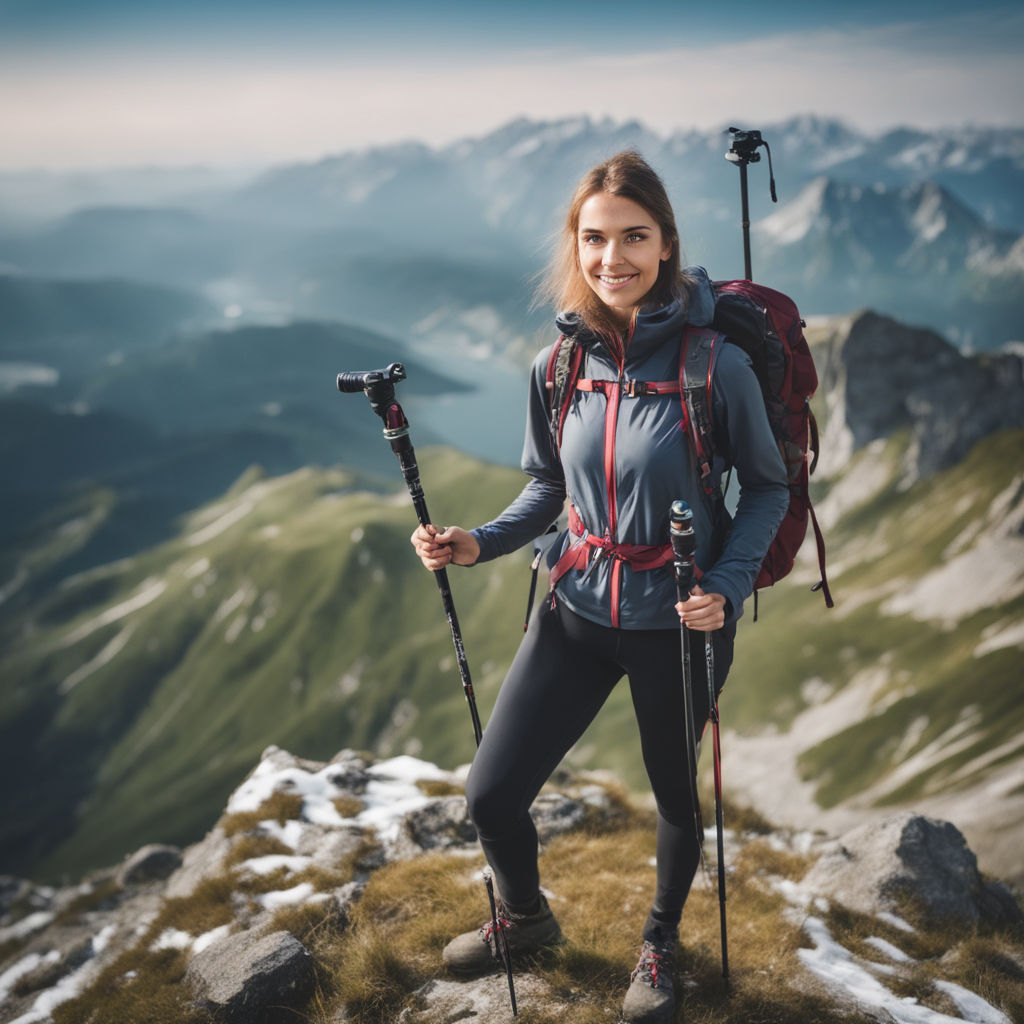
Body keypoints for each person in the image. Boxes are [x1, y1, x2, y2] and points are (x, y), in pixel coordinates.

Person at [410, 150, 788, 1023]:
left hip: (681, 618)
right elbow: (549, 488)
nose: (611, 258)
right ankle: (526, 918)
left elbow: (767, 488)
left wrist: (727, 587)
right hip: (575, 605)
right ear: (574, 247)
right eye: (593, 239)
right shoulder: (558, 366)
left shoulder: (712, 366)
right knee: (491, 794)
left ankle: (659, 945)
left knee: (670, 795)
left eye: (633, 238)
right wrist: (480, 542)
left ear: (664, 245)